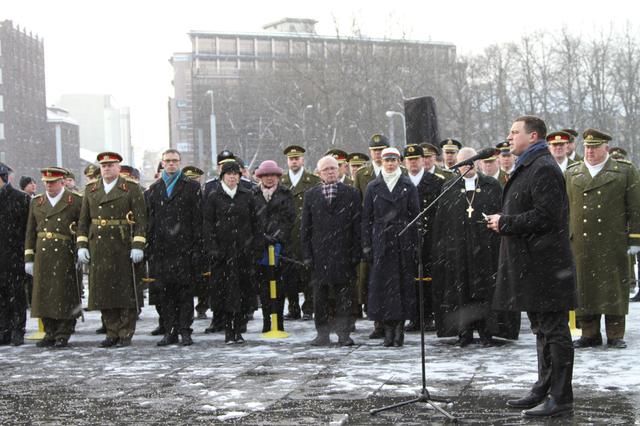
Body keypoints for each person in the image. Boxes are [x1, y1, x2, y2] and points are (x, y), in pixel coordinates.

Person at [487, 115, 576, 418]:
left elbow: (547, 216)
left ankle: (561, 397)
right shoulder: (530, 164)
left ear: (534, 136)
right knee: (541, 329)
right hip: (534, 264)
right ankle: (543, 388)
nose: (509, 137)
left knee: (554, 331)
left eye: (514, 132)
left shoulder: (543, 168)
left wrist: (506, 222)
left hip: (547, 266)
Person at [432, 148, 519, 346]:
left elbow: (501, 215)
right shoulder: (449, 187)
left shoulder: (492, 185)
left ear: (478, 163)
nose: (467, 166)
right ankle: (464, 330)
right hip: (458, 251)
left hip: (486, 249)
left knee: (485, 291)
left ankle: (487, 330)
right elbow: (442, 223)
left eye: (471, 162)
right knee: (461, 290)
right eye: (463, 163)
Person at [566, 129, 640, 349]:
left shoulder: (625, 171)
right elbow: (565, 207)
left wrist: (635, 239)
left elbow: (635, 208)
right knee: (584, 286)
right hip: (580, 241)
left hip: (613, 240)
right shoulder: (572, 172)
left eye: (595, 147)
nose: (590, 151)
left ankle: (615, 334)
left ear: (606, 148)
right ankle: (589, 333)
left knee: (613, 286)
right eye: (587, 147)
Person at [76, 152, 147, 348]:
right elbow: (83, 221)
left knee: (125, 292)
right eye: (104, 165)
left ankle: (125, 333)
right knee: (104, 292)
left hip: (122, 244)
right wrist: (82, 245)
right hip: (98, 245)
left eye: (111, 165)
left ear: (118, 167)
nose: (107, 168)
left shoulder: (131, 188)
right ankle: (111, 331)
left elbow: (141, 219)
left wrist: (138, 244)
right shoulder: (91, 189)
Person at [301, 156, 361, 346]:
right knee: (320, 298)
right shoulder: (311, 195)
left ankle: (344, 333)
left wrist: (356, 252)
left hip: (344, 253)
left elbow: (358, 226)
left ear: (340, 170)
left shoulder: (351, 193)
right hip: (320, 255)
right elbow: (305, 228)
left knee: (345, 297)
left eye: (334, 168)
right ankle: (322, 333)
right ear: (319, 173)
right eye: (326, 169)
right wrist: (307, 255)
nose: (330, 172)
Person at [362, 147, 419, 347]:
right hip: (382, 242)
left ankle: (399, 330)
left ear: (399, 162)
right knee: (383, 289)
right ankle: (387, 329)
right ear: (382, 162)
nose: (390, 163)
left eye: (394, 160)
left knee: (402, 287)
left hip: (402, 241)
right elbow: (366, 219)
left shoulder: (408, 185)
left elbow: (415, 216)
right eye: (387, 160)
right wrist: (367, 245)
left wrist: (414, 243)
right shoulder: (373, 187)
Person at [146, 149, 203, 346]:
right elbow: (150, 221)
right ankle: (170, 330)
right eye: (167, 161)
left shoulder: (191, 187)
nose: (171, 164)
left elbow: (198, 219)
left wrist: (197, 247)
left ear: (180, 163)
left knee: (185, 293)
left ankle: (185, 331)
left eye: (174, 161)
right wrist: (150, 247)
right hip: (162, 250)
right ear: (162, 163)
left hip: (184, 248)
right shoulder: (154, 189)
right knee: (166, 293)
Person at [24, 168, 83, 348]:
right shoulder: (37, 202)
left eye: (53, 182)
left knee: (63, 293)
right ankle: (49, 331)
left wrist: (81, 248)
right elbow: (30, 231)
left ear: (63, 182)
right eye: (47, 183)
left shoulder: (75, 201)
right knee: (44, 294)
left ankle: (63, 333)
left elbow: (82, 227)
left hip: (65, 251)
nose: (49, 186)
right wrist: (29, 256)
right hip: (43, 252)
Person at [204, 161, 258, 344]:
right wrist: (213, 248)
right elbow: (208, 225)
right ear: (222, 176)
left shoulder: (247, 195)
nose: (233, 177)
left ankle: (240, 328)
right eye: (229, 174)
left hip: (243, 253)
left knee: (243, 291)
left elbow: (255, 223)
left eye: (236, 173)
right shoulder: (213, 196)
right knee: (225, 293)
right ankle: (228, 329)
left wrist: (253, 245)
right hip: (222, 254)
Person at [403, 144, 444, 332]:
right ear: (405, 162)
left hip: (430, 237)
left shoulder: (436, 181)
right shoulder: (401, 182)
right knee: (410, 279)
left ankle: (428, 315)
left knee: (428, 278)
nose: (413, 163)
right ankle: (413, 316)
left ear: (423, 160)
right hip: (408, 238)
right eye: (409, 160)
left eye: (417, 159)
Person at [354, 133, 390, 339]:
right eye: (375, 151)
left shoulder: (397, 171)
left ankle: (392, 321)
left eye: (381, 150)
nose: (378, 154)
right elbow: (359, 208)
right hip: (372, 233)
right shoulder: (362, 175)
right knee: (372, 281)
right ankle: (377, 322)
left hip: (392, 232)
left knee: (390, 280)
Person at [252, 160, 295, 333]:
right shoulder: (253, 194)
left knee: (279, 286)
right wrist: (262, 237)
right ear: (260, 177)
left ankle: (279, 321)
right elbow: (251, 219)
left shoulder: (285, 193)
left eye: (273, 175)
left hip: (281, 247)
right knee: (263, 286)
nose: (269, 179)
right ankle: (266, 321)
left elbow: (290, 218)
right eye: (266, 176)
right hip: (260, 247)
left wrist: (277, 236)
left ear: (278, 177)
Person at [280, 145, 321, 321]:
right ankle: (293, 307)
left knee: (308, 274)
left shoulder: (312, 180)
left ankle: (308, 308)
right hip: (287, 236)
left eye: (297, 158)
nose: (294, 161)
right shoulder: (282, 182)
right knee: (289, 275)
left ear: (303, 160)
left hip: (306, 234)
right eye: (291, 159)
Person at [0, 162, 30, 346]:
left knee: (16, 295)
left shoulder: (20, 199)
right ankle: (3, 330)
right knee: (1, 296)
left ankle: (18, 330)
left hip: (14, 254)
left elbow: (28, 229)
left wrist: (26, 254)